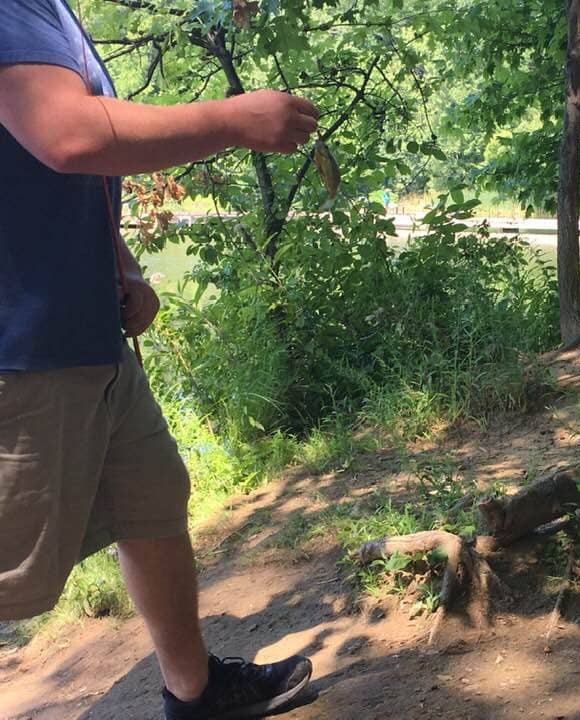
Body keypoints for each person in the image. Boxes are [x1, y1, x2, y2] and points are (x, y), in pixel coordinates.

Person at [0, 1, 321, 717]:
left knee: (152, 502)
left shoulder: (47, 13)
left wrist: (125, 267)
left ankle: (195, 694)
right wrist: (235, 121)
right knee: (11, 577)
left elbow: (57, 179)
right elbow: (68, 135)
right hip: (21, 356)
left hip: (88, 338)